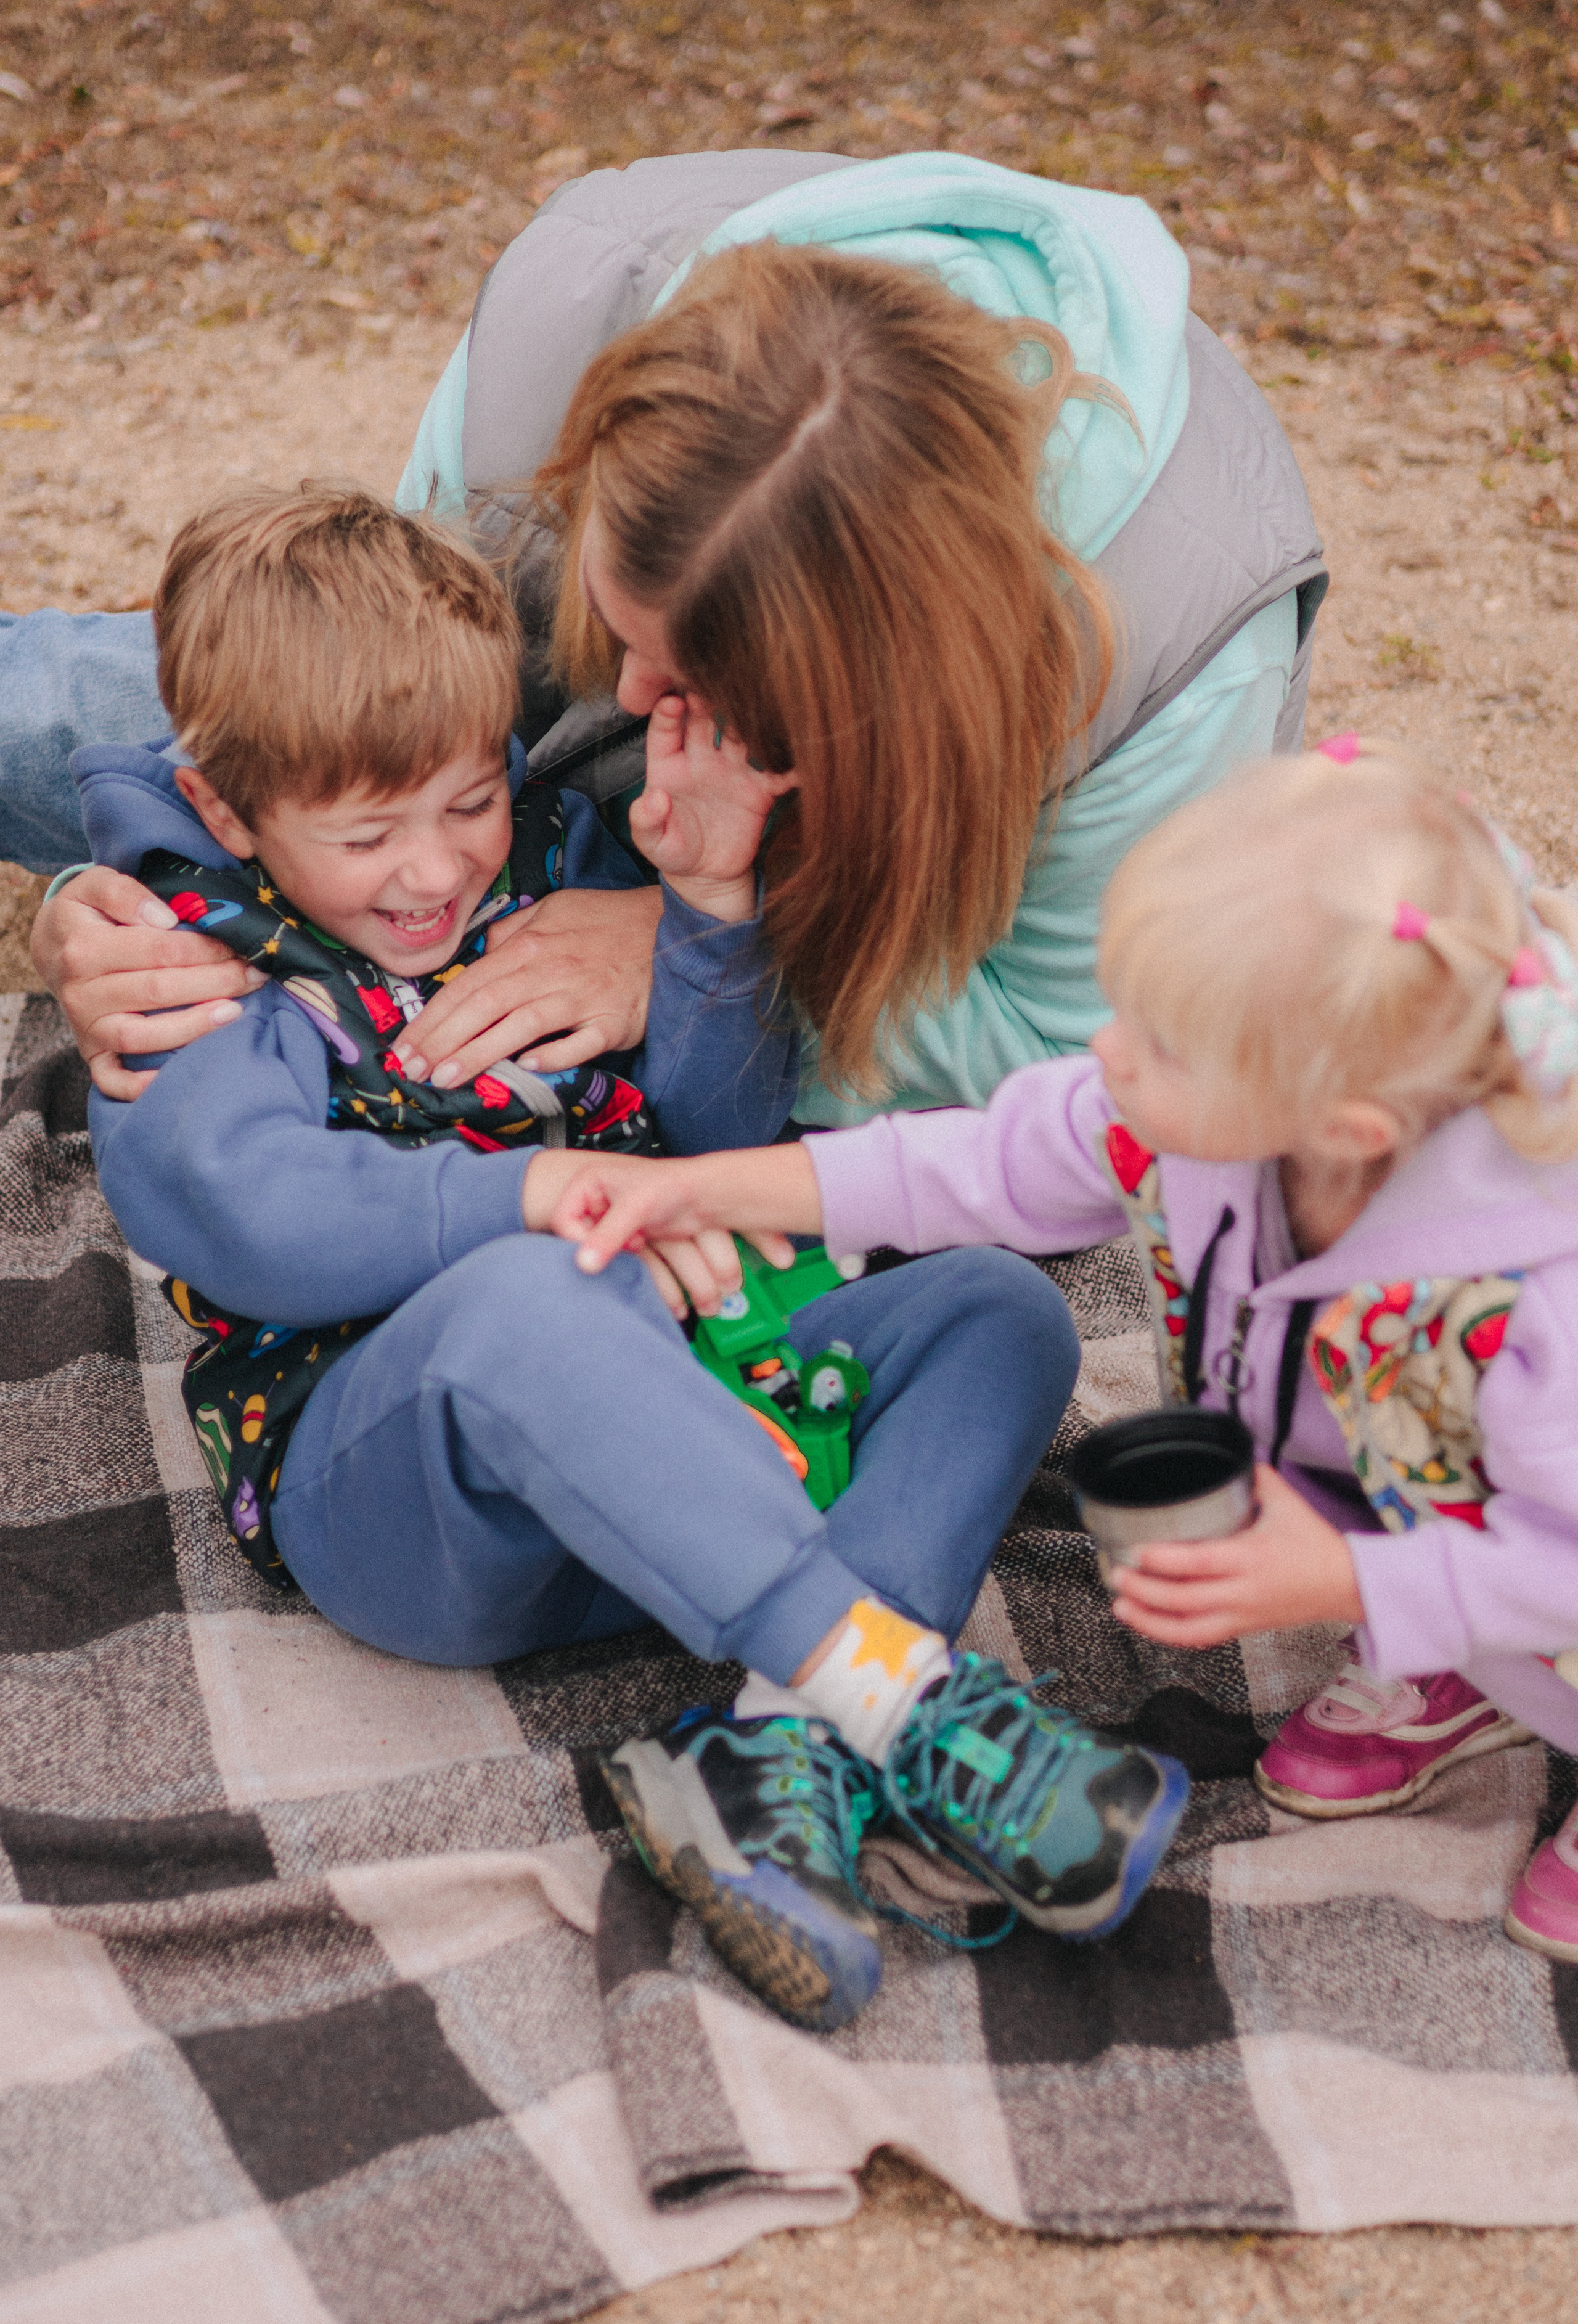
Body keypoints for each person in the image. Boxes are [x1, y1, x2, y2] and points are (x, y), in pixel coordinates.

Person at [81, 480, 1191, 2037]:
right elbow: (246, 1218)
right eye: (366, 833)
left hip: (688, 1443)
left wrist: (712, 918)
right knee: (542, 1294)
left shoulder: (550, 851)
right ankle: (897, 1695)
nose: (432, 871)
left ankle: (766, 1749)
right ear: (227, 811)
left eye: (468, 801)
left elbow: (713, 1129)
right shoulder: (192, 959)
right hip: (406, 1495)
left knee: (998, 1310)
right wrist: (536, 1194)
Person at [540, 735, 1578, 1967]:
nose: (1107, 1054)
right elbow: (973, 1164)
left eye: (1160, 1044)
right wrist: (707, 1190)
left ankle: (1463, 1639)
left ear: (1343, 1125)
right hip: (1440, 1502)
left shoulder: (1533, 1298)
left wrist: (1358, 1583)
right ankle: (1457, 1667)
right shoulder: (1229, 1110)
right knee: (1448, 1532)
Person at [25, 149, 1325, 1119]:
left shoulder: (1179, 655)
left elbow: (1072, 1050)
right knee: (63, 719)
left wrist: (701, 952)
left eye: (709, 681)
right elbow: (369, 718)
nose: (637, 700)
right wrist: (124, 892)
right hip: (514, 806)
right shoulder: (564, 310)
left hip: (803, 920)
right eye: (618, 618)